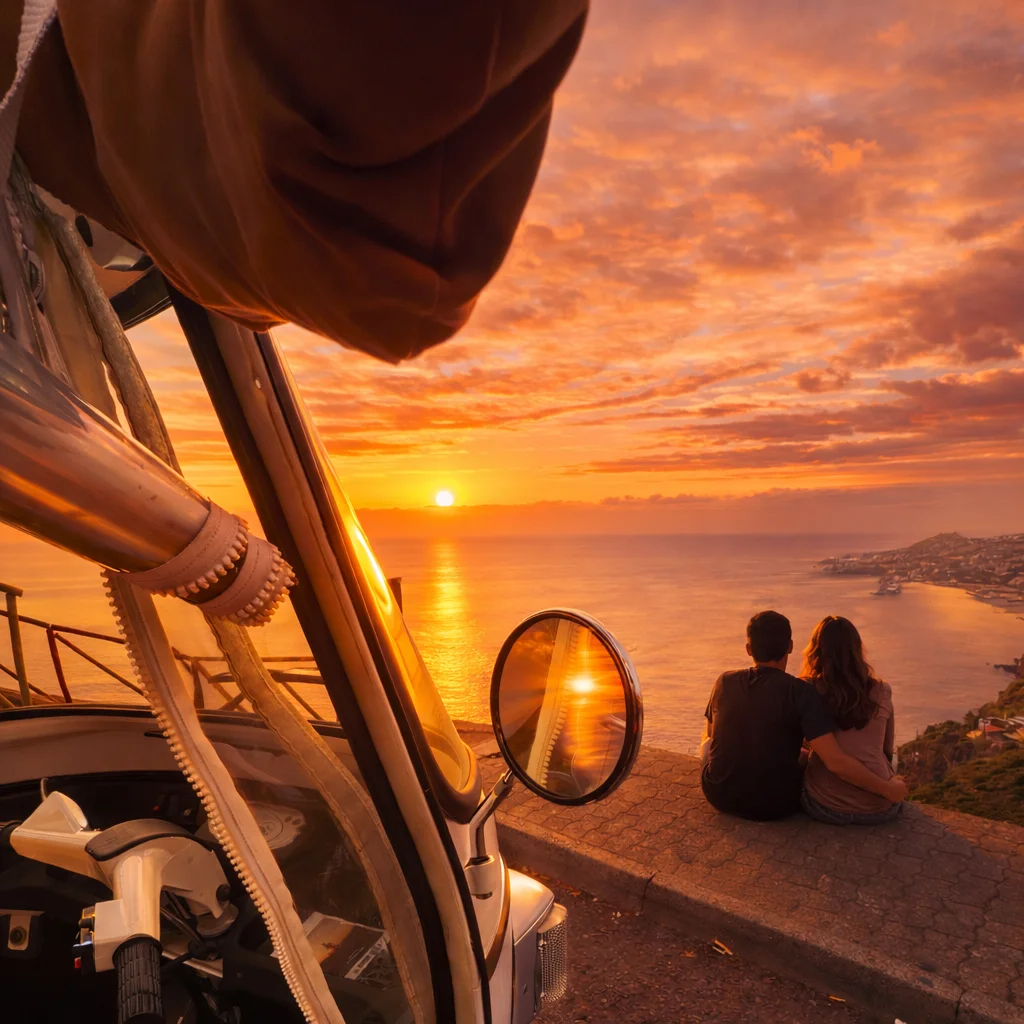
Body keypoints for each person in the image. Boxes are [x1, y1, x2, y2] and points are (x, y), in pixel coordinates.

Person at [699, 610, 907, 821]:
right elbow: (839, 760)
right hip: (775, 806)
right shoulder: (801, 692)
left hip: (719, 796)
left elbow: (713, 736)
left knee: (707, 744)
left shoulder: (725, 681)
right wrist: (888, 789)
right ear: (790, 646)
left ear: (748, 649)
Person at [800, 616, 902, 825]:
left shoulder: (808, 689)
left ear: (816, 651)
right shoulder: (882, 690)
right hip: (881, 807)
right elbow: (887, 750)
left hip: (826, 805)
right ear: (857, 650)